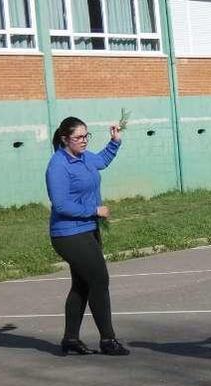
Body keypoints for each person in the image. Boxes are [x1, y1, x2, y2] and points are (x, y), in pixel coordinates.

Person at [46, 117, 129, 356]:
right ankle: (108, 340)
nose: (83, 141)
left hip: (87, 230)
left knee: (82, 284)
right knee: (99, 280)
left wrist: (114, 142)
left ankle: (70, 339)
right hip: (68, 234)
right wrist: (94, 210)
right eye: (78, 137)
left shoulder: (83, 157)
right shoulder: (58, 166)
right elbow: (61, 205)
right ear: (64, 139)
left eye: (86, 136)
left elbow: (101, 161)